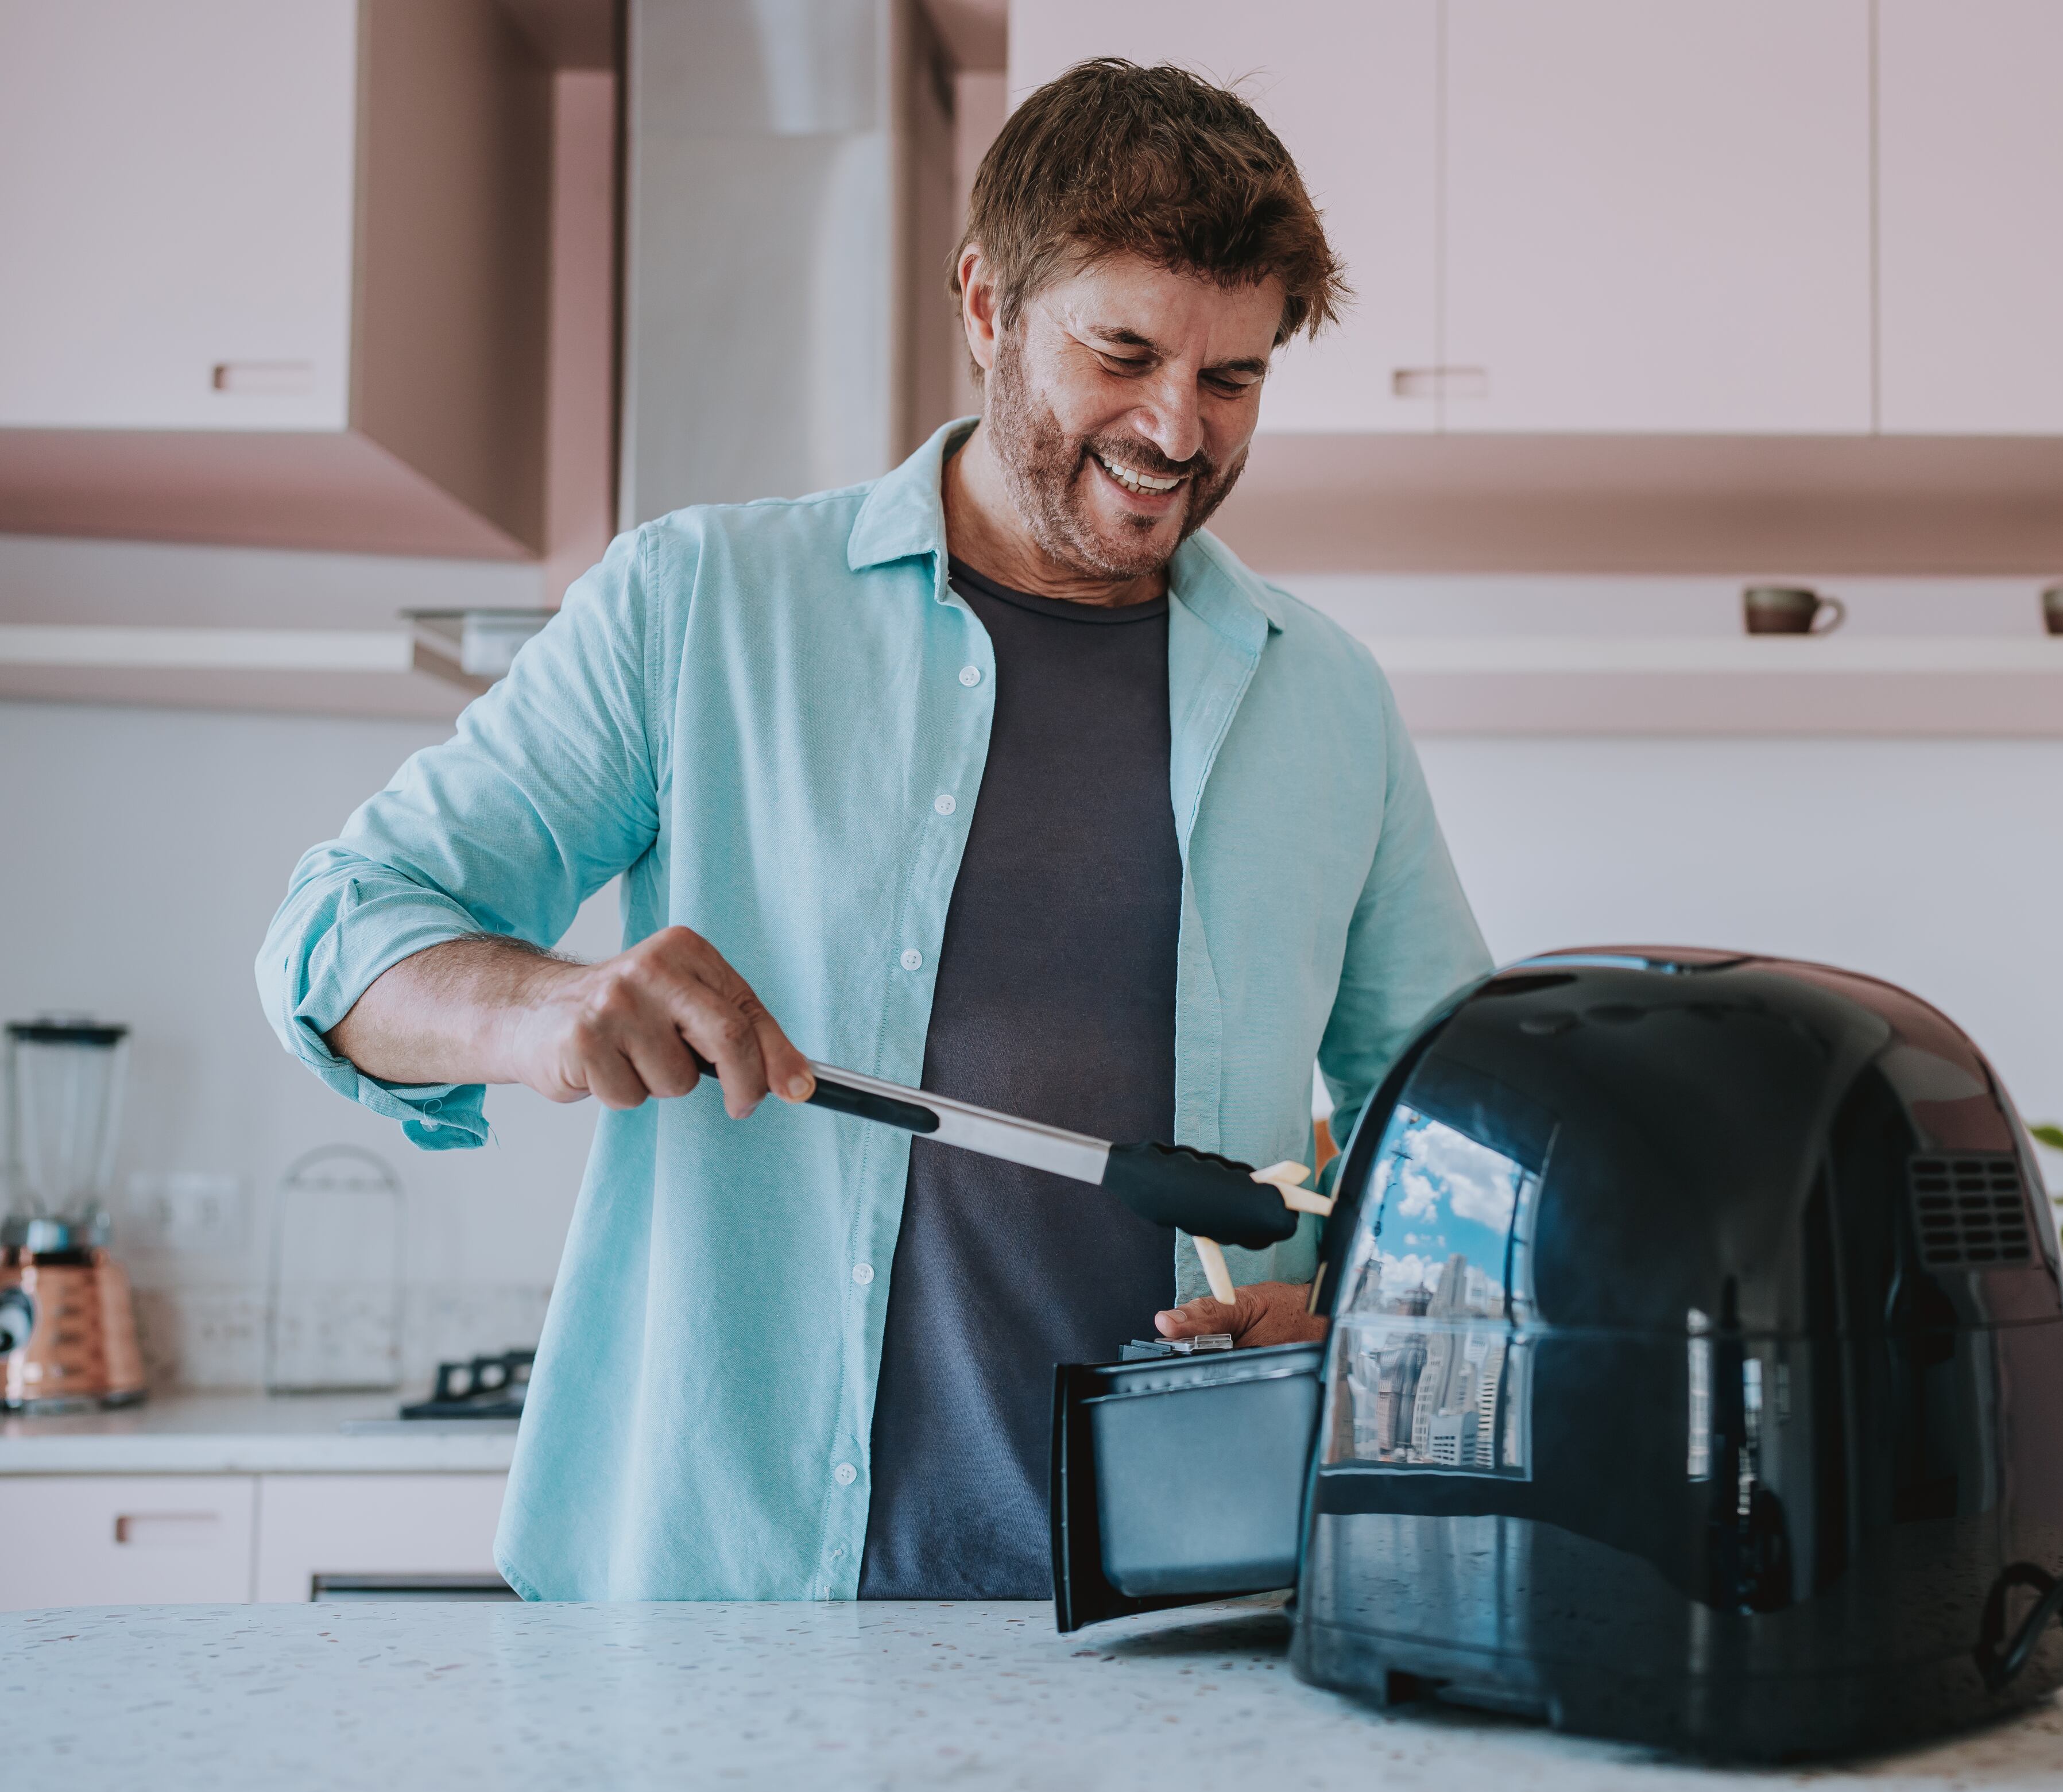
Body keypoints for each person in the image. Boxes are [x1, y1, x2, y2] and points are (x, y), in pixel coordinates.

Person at [255, 60, 1492, 1602]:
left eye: (1232, 379)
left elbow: (1468, 1145)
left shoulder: (1332, 707)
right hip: (726, 1620)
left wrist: (1349, 1316)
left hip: (1185, 1615)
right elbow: (338, 934)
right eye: (1123, 354)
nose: (1179, 430)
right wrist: (548, 1006)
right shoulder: (694, 607)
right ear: (987, 305)